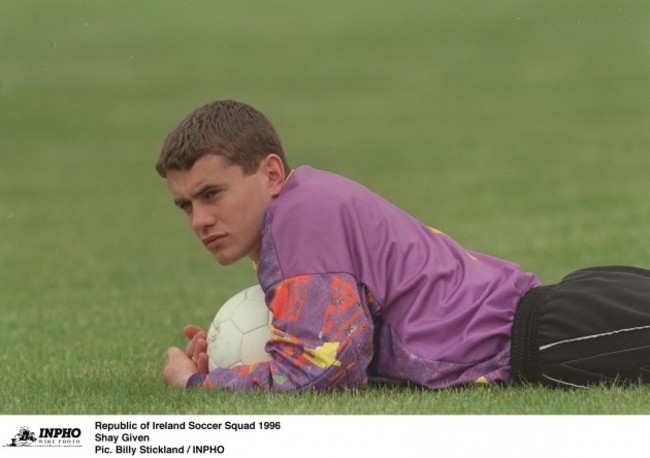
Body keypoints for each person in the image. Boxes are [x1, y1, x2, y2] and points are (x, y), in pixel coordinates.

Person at [157, 100, 650, 391]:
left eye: (211, 194)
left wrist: (199, 382)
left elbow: (327, 368)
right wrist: (246, 359)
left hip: (554, 337)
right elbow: (352, 346)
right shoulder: (307, 204)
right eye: (185, 205)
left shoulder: (298, 219)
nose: (200, 220)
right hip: (567, 312)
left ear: (269, 174)